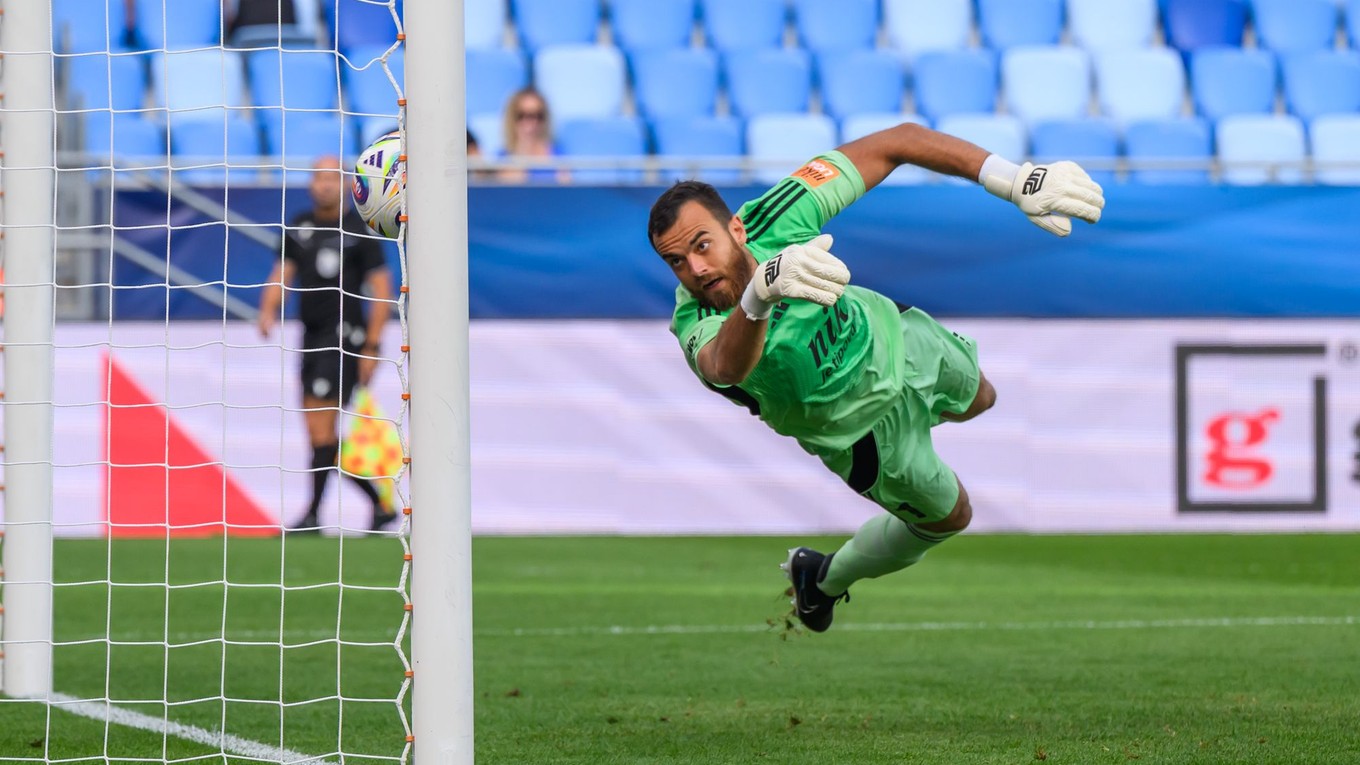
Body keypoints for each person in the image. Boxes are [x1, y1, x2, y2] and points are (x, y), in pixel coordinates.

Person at [648, 122, 1104, 632]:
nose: (695, 268)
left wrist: (1013, 179)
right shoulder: (694, 321)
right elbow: (724, 367)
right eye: (677, 262)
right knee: (952, 517)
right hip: (861, 434)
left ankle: (931, 409)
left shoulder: (780, 213)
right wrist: (759, 293)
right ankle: (821, 579)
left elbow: (898, 141)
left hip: (897, 340)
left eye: (702, 246)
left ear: (736, 229)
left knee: (982, 398)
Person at [258, 155, 397, 532]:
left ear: (347, 185)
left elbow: (381, 293)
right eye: (317, 177)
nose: (323, 184)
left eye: (332, 178)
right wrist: (269, 307)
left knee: (321, 429)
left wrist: (371, 346)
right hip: (311, 336)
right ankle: (375, 505)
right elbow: (281, 273)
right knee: (319, 432)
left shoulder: (360, 228)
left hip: (344, 339)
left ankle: (313, 515)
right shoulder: (299, 226)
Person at [497, 86, 569, 184]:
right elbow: (510, 192)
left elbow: (565, 191)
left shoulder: (557, 154)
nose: (531, 123)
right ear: (512, 118)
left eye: (538, 116)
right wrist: (522, 149)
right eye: (522, 115)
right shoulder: (502, 158)